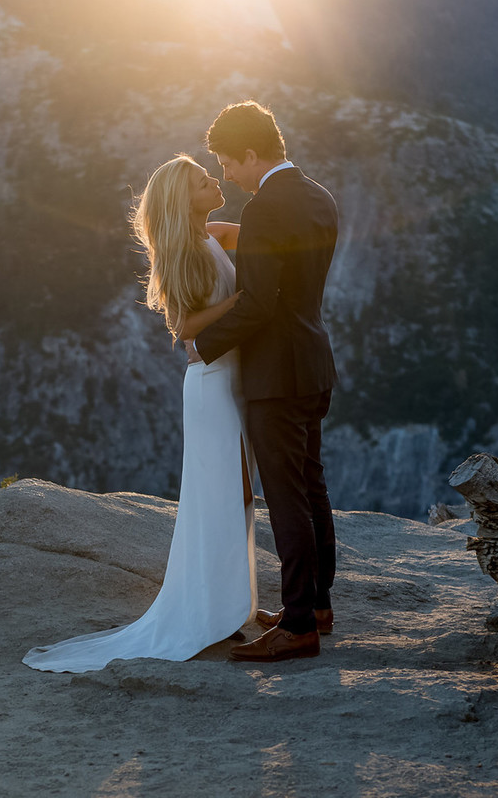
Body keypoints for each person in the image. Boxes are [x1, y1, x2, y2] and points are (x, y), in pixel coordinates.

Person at [22, 155, 257, 673]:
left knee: (238, 492)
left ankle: (229, 606)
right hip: (212, 386)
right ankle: (213, 612)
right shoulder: (181, 251)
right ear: (182, 198)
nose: (213, 181)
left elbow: (264, 235)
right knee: (219, 496)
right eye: (202, 181)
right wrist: (244, 301)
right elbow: (184, 327)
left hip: (234, 381)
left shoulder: (215, 232)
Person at [194, 100, 338, 663]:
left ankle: (299, 625)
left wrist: (200, 346)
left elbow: (256, 304)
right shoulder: (318, 196)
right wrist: (238, 238)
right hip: (313, 361)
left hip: (276, 373)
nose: (227, 174)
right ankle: (317, 605)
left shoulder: (265, 209)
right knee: (311, 486)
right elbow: (294, 280)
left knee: (286, 498)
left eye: (228, 163)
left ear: (251, 154)